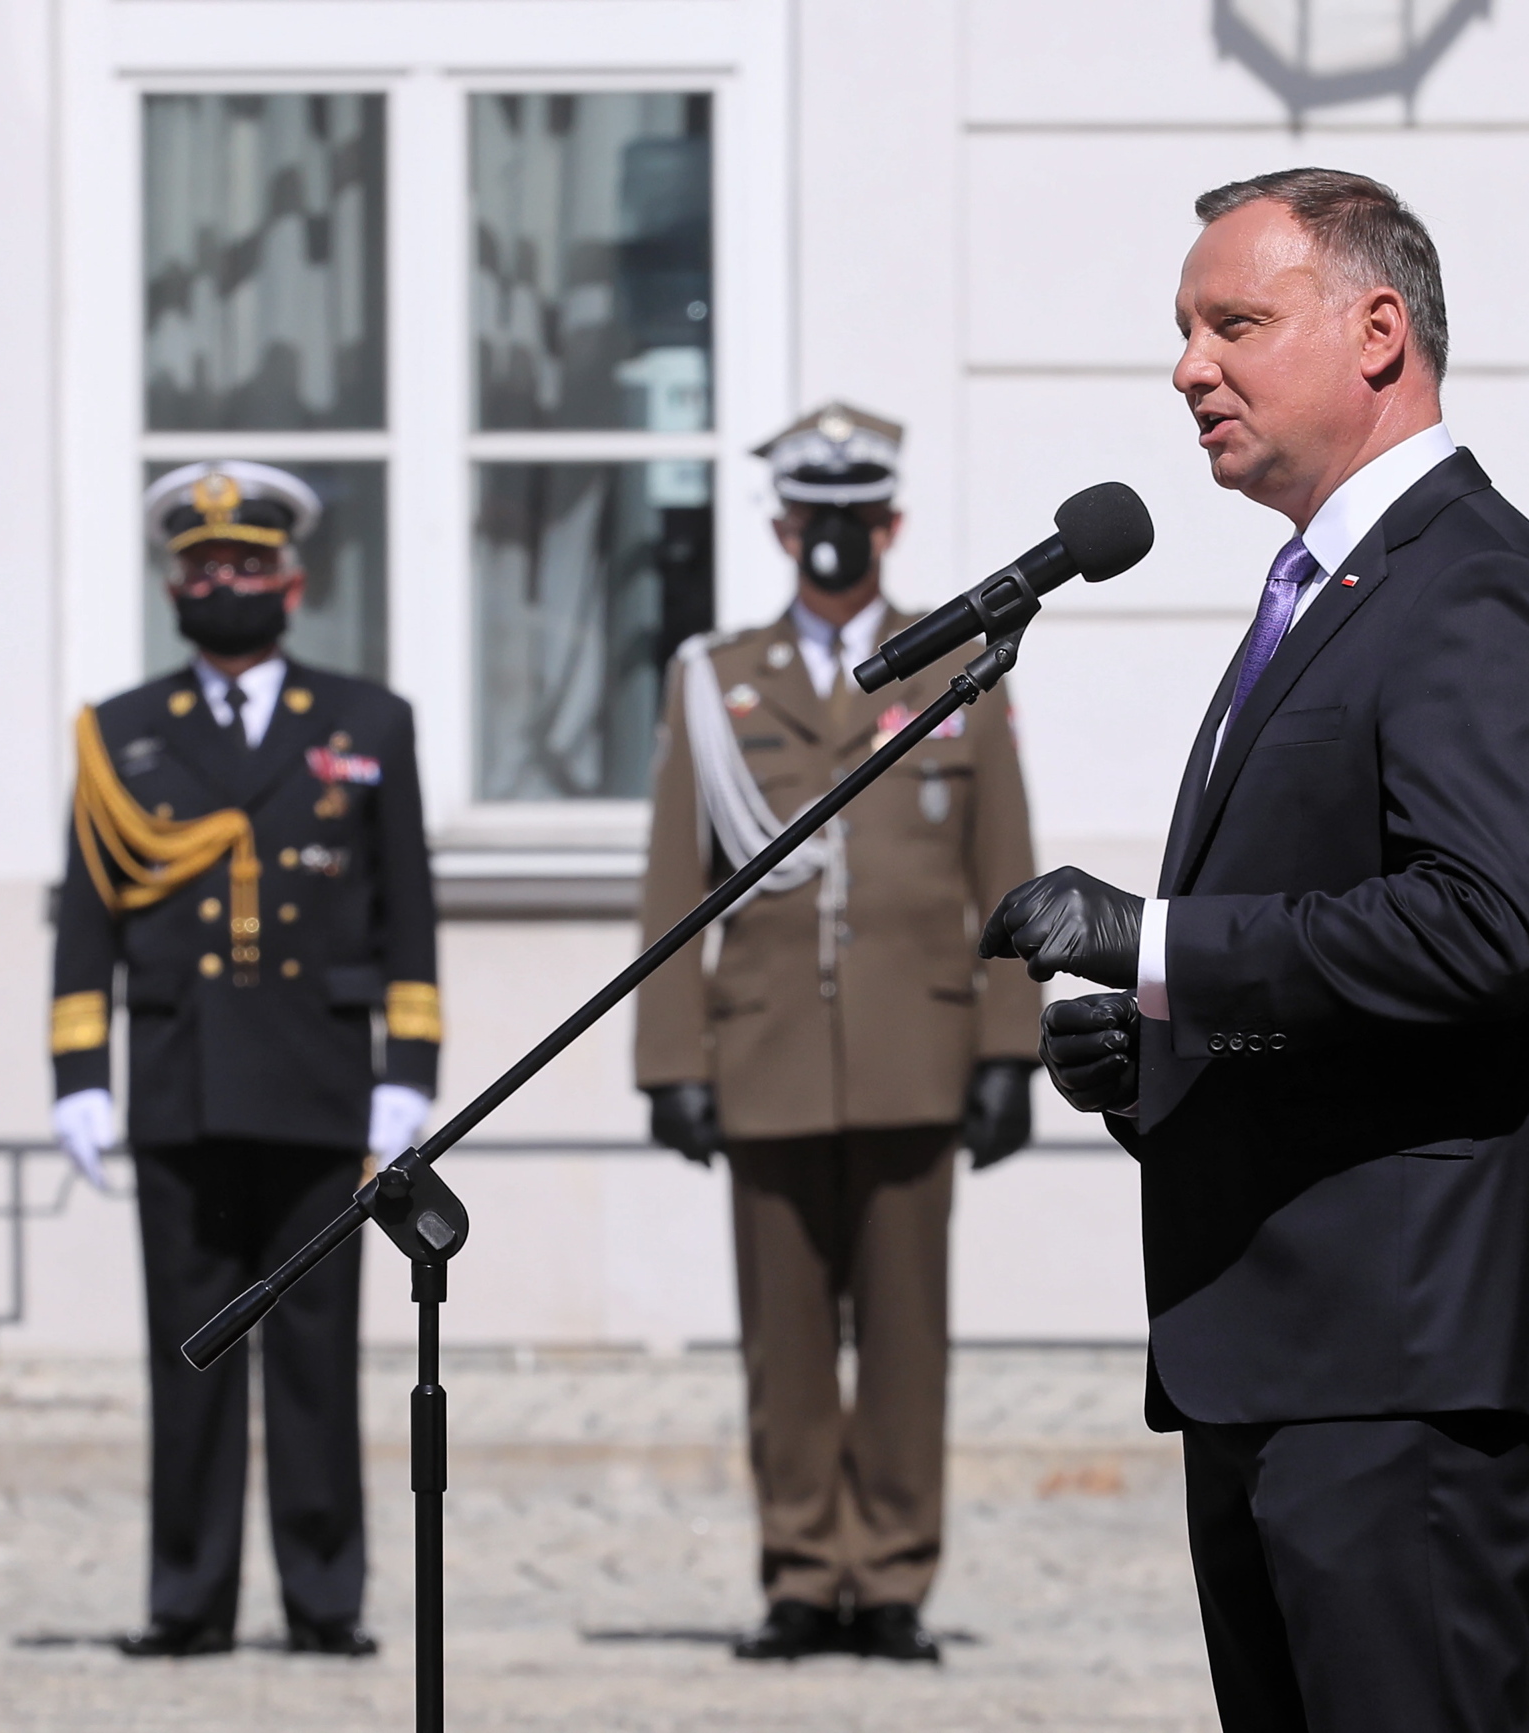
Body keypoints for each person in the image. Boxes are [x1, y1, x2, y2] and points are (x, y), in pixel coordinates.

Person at [984, 170, 1529, 1730]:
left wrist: (1161, 943)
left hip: (1395, 1370)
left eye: (1236, 322)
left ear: (1379, 331)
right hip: (1275, 1353)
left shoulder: (1480, 591)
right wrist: (1159, 1045)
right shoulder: (1319, 593)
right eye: (1185, 331)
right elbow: (1333, 960)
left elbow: (1479, 930)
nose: (1190, 366)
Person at [635, 403, 1040, 1664]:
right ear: (778, 527)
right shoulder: (717, 681)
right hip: (763, 1052)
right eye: (813, 519)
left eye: (855, 518)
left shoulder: (955, 664)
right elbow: (671, 878)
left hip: (917, 1049)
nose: (833, 540)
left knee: (908, 1338)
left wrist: (1009, 1046)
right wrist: (668, 1058)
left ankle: (894, 1576)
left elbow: (1003, 861)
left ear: (892, 524)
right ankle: (804, 1570)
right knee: (787, 1340)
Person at [50, 460, 437, 1659]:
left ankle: (325, 1599)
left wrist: (407, 1062)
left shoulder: (366, 721)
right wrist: (78, 1070)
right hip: (181, 1080)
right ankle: (187, 1598)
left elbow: (404, 908)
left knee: (318, 1355)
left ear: (292, 579)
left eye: (246, 567)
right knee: (193, 1354)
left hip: (320, 1083)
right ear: (174, 583)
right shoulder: (121, 732)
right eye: (202, 568)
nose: (224, 584)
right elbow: (85, 916)